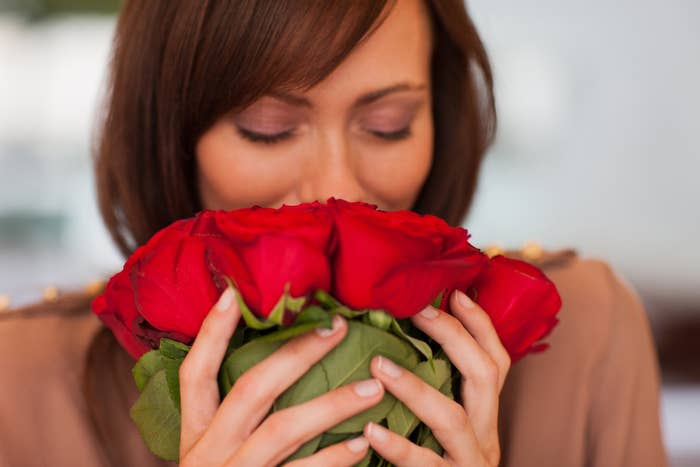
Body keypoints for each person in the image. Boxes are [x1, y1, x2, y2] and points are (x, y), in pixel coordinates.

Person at [0, 0, 669, 466]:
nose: (335, 190)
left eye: (389, 124)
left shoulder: (588, 335)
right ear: (170, 135)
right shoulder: (22, 383)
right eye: (267, 128)